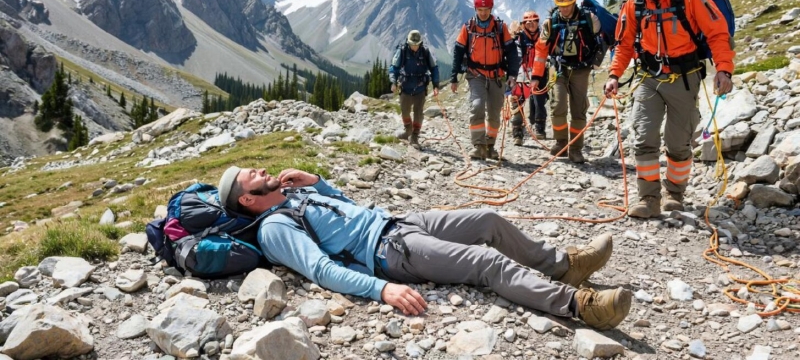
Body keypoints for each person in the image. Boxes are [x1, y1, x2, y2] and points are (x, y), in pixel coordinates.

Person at [218, 165, 632, 329]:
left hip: (400, 222)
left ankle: (563, 265)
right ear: (247, 199)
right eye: (247, 177)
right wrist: (381, 289)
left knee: (488, 219)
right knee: (486, 262)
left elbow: (348, 210)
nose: (257, 169)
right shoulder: (274, 226)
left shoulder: (291, 196)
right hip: (390, 251)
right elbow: (322, 269)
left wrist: (317, 183)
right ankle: (580, 305)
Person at [603, 0, 734, 218]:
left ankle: (674, 193)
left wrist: (724, 68)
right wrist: (614, 75)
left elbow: (718, 33)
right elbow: (624, 44)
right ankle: (649, 199)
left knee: (678, 142)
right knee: (644, 136)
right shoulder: (634, 3)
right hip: (648, 79)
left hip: (684, 79)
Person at [530, 0, 603, 164]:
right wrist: (536, 76)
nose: (564, 8)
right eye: (561, 5)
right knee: (558, 105)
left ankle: (576, 149)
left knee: (579, 110)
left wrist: (597, 60)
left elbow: (602, 39)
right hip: (559, 68)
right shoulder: (551, 22)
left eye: (568, 4)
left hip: (581, 69)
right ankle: (561, 142)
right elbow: (540, 51)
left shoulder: (589, 19)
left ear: (574, 2)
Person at [451, 0, 520, 160]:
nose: (483, 13)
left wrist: (512, 74)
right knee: (476, 106)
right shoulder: (468, 27)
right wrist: (454, 77)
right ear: (475, 9)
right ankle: (479, 145)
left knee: (495, 113)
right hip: (476, 75)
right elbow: (458, 51)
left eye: (486, 9)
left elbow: (511, 52)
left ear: (491, 8)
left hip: (497, 76)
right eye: (480, 9)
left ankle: (490, 146)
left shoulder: (500, 27)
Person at [388, 30, 440, 149]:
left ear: (420, 43)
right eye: (412, 44)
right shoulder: (402, 51)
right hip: (405, 87)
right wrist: (393, 82)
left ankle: (415, 136)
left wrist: (436, 85)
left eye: (416, 45)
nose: (414, 47)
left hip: (420, 88)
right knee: (405, 111)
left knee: (418, 113)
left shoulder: (426, 52)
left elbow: (434, 68)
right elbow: (394, 67)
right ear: (408, 42)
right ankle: (408, 131)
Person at [512, 11, 548, 143]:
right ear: (523, 24)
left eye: (533, 21)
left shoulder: (544, 36)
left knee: (539, 100)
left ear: (538, 22)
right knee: (517, 101)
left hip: (540, 73)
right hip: (522, 73)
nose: (531, 24)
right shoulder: (519, 38)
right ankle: (517, 132)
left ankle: (539, 128)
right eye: (528, 22)